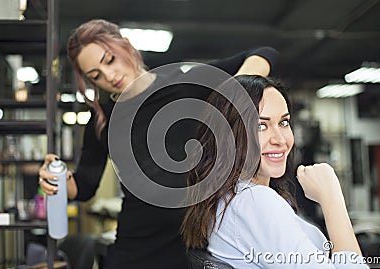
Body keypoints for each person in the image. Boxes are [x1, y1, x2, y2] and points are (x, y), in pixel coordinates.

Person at [38, 19, 279, 269]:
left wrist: (235, 91)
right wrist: (61, 182)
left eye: (109, 60)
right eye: (95, 76)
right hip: (136, 248)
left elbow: (264, 53)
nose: (109, 76)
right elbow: (85, 186)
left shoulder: (185, 83)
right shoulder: (102, 120)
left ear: (127, 46)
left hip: (196, 242)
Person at [181, 75, 369, 268]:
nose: (280, 139)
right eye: (261, 126)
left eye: (283, 122)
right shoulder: (255, 201)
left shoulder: (231, 197)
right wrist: (332, 199)